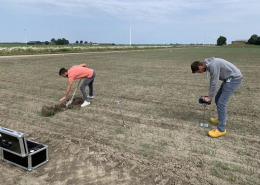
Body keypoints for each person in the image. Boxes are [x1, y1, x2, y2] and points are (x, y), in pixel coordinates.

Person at [191, 57, 242, 138]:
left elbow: (215, 82)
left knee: (221, 103)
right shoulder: (208, 64)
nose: (200, 73)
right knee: (218, 99)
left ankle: (221, 129)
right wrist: (210, 94)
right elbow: (212, 81)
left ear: (200, 67)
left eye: (199, 71)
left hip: (234, 79)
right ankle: (221, 120)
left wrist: (210, 97)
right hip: (228, 79)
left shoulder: (212, 65)